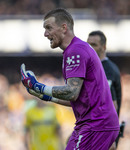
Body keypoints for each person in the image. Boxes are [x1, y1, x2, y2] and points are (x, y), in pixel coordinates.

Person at [21, 8, 120, 150]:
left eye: (49, 28)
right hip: (93, 123)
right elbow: (77, 98)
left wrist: (39, 87)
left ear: (63, 28)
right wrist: (46, 96)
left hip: (96, 124)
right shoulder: (74, 50)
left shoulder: (75, 51)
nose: (45, 34)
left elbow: (72, 92)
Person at [87, 31, 122, 149]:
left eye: (94, 44)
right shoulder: (95, 67)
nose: (90, 48)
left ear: (104, 47)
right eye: (88, 44)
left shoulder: (107, 69)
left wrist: (108, 137)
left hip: (103, 132)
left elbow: (112, 104)